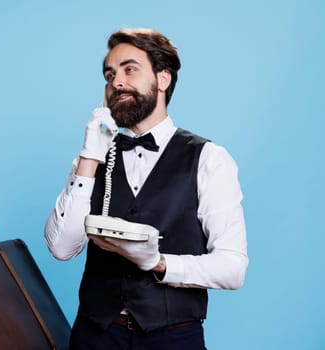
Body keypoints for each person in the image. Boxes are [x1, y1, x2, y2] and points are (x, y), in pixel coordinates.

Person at [44, 28, 248, 349]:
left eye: (130, 69)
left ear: (163, 79)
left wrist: (157, 262)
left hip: (173, 338)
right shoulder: (93, 157)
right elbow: (61, 248)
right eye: (110, 75)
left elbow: (233, 268)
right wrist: (89, 156)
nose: (117, 83)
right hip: (95, 334)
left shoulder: (210, 159)